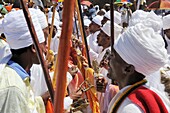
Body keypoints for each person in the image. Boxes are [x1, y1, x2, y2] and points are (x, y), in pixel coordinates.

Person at [107, 23, 170, 113]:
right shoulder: (152, 93)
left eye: (112, 56)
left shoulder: (129, 109)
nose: (108, 58)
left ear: (128, 69)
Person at [1, 9, 47, 113]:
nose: (46, 47)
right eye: (44, 42)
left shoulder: (20, 76)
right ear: (33, 48)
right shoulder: (13, 88)